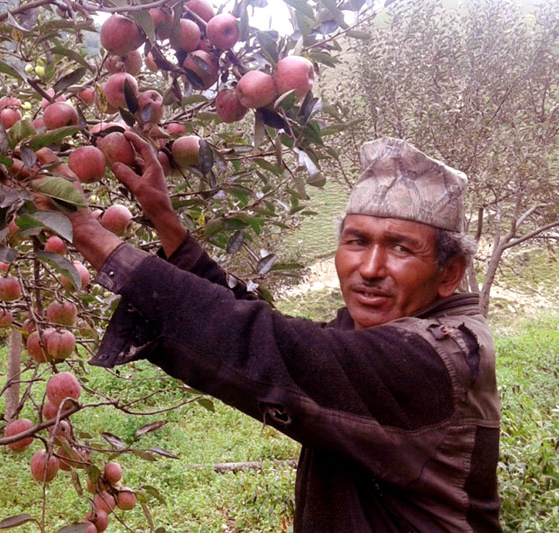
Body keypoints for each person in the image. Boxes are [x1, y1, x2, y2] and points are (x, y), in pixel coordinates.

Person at [63, 135, 501, 531]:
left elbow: (272, 348)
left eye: (401, 248)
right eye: (356, 242)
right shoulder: (391, 334)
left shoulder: (435, 359)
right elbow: (276, 335)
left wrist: (89, 235)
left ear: (450, 274)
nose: (369, 269)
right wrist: (163, 216)